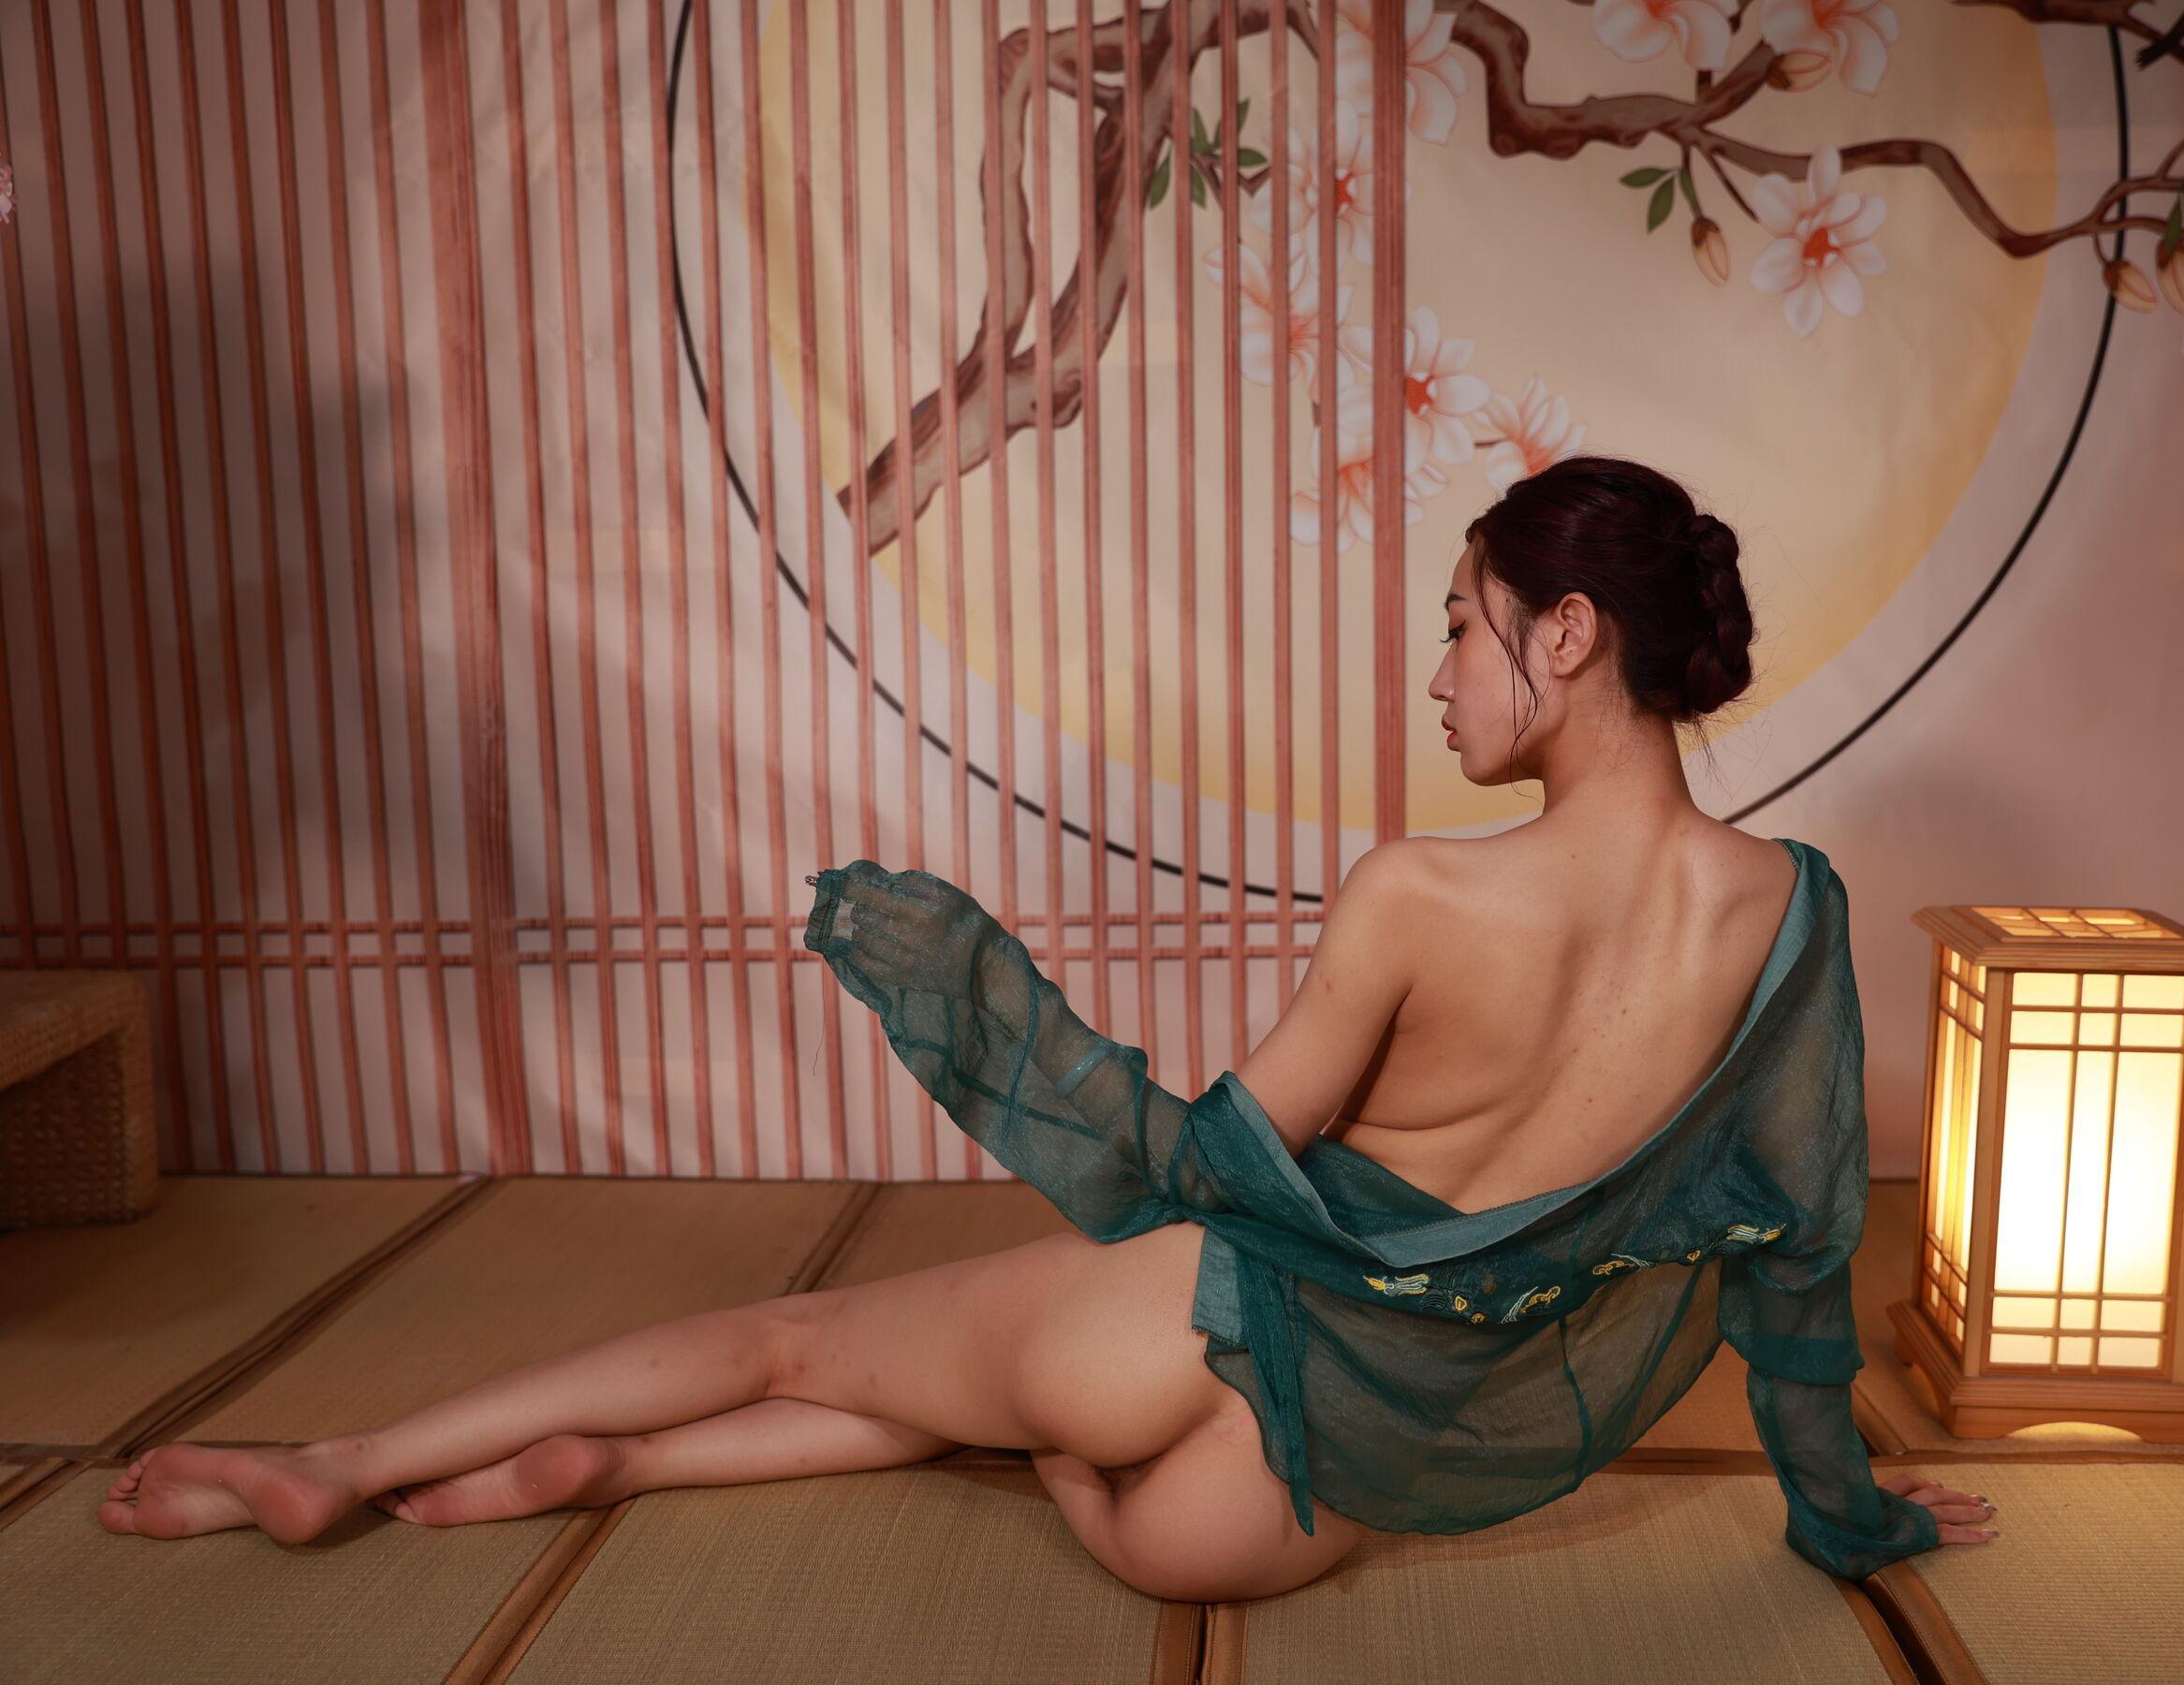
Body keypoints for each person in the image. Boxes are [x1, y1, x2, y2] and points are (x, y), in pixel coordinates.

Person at [95, 454, 1997, 1602]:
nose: (1438, 676)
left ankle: (336, 1463)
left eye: (1460, 623)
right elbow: (1793, 1269)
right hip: (1327, 1478)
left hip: (1196, 1334)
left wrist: (984, 1013)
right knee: (964, 1412)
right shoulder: (1790, 911)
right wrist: (1844, 1520)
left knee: (801, 1333)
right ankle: (639, 1467)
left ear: (1565, 636)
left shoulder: (1424, 891)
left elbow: (1209, 1172)